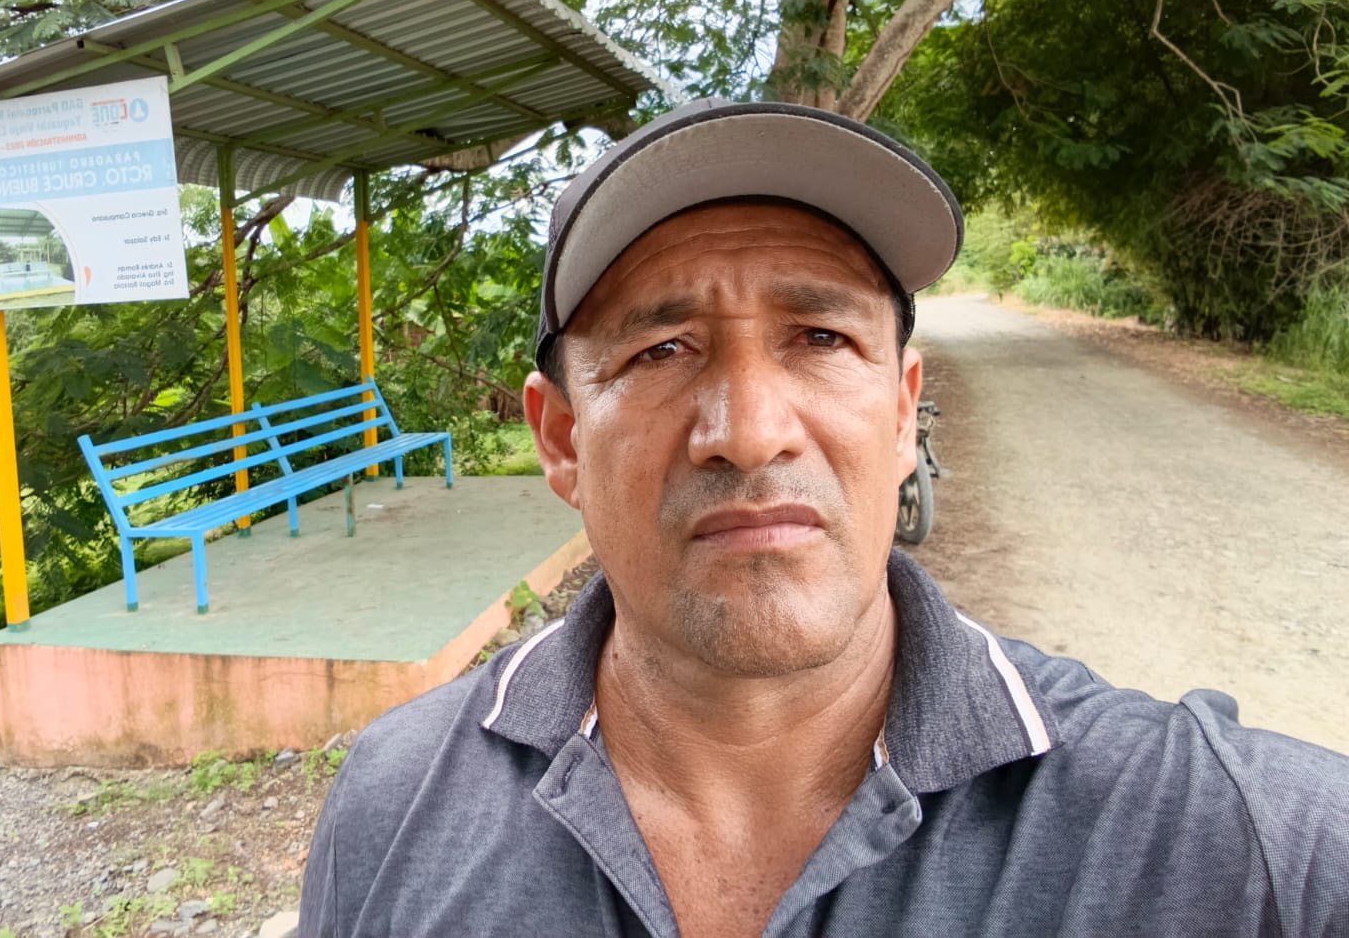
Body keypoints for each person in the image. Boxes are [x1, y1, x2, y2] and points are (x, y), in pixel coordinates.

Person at [299, 100, 1348, 937]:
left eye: (819, 337)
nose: (750, 434)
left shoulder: (1223, 838)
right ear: (564, 439)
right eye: (661, 350)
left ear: (900, 414)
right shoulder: (396, 807)